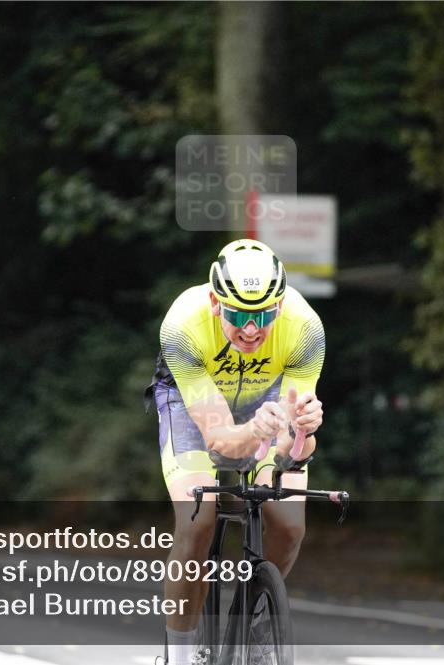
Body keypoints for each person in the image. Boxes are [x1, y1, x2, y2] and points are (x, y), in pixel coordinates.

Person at [147, 239, 325, 665]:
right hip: (192, 406)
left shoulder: (305, 329)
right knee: (197, 522)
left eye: (262, 315)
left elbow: (293, 452)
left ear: (279, 307)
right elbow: (218, 438)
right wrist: (252, 431)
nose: (250, 329)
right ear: (215, 303)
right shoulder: (183, 325)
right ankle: (181, 655)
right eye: (238, 315)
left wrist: (303, 434)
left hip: (268, 399)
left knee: (289, 525)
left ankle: (256, 625)